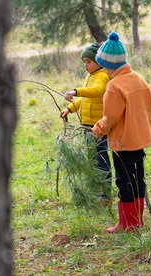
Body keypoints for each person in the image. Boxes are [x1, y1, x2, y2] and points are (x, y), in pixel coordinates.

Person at [92, 32, 151, 233]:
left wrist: (98, 129)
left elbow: (111, 118)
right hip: (139, 140)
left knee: (124, 182)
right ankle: (137, 222)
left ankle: (127, 225)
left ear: (106, 64)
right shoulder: (138, 78)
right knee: (137, 180)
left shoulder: (114, 85)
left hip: (123, 142)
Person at [60, 42, 112, 201]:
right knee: (92, 158)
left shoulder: (102, 76)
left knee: (101, 158)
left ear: (99, 61)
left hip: (98, 126)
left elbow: (97, 91)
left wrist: (75, 91)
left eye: (88, 62)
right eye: (84, 62)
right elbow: (85, 99)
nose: (85, 65)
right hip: (87, 125)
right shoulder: (89, 76)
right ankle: (96, 189)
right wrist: (69, 108)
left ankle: (106, 193)